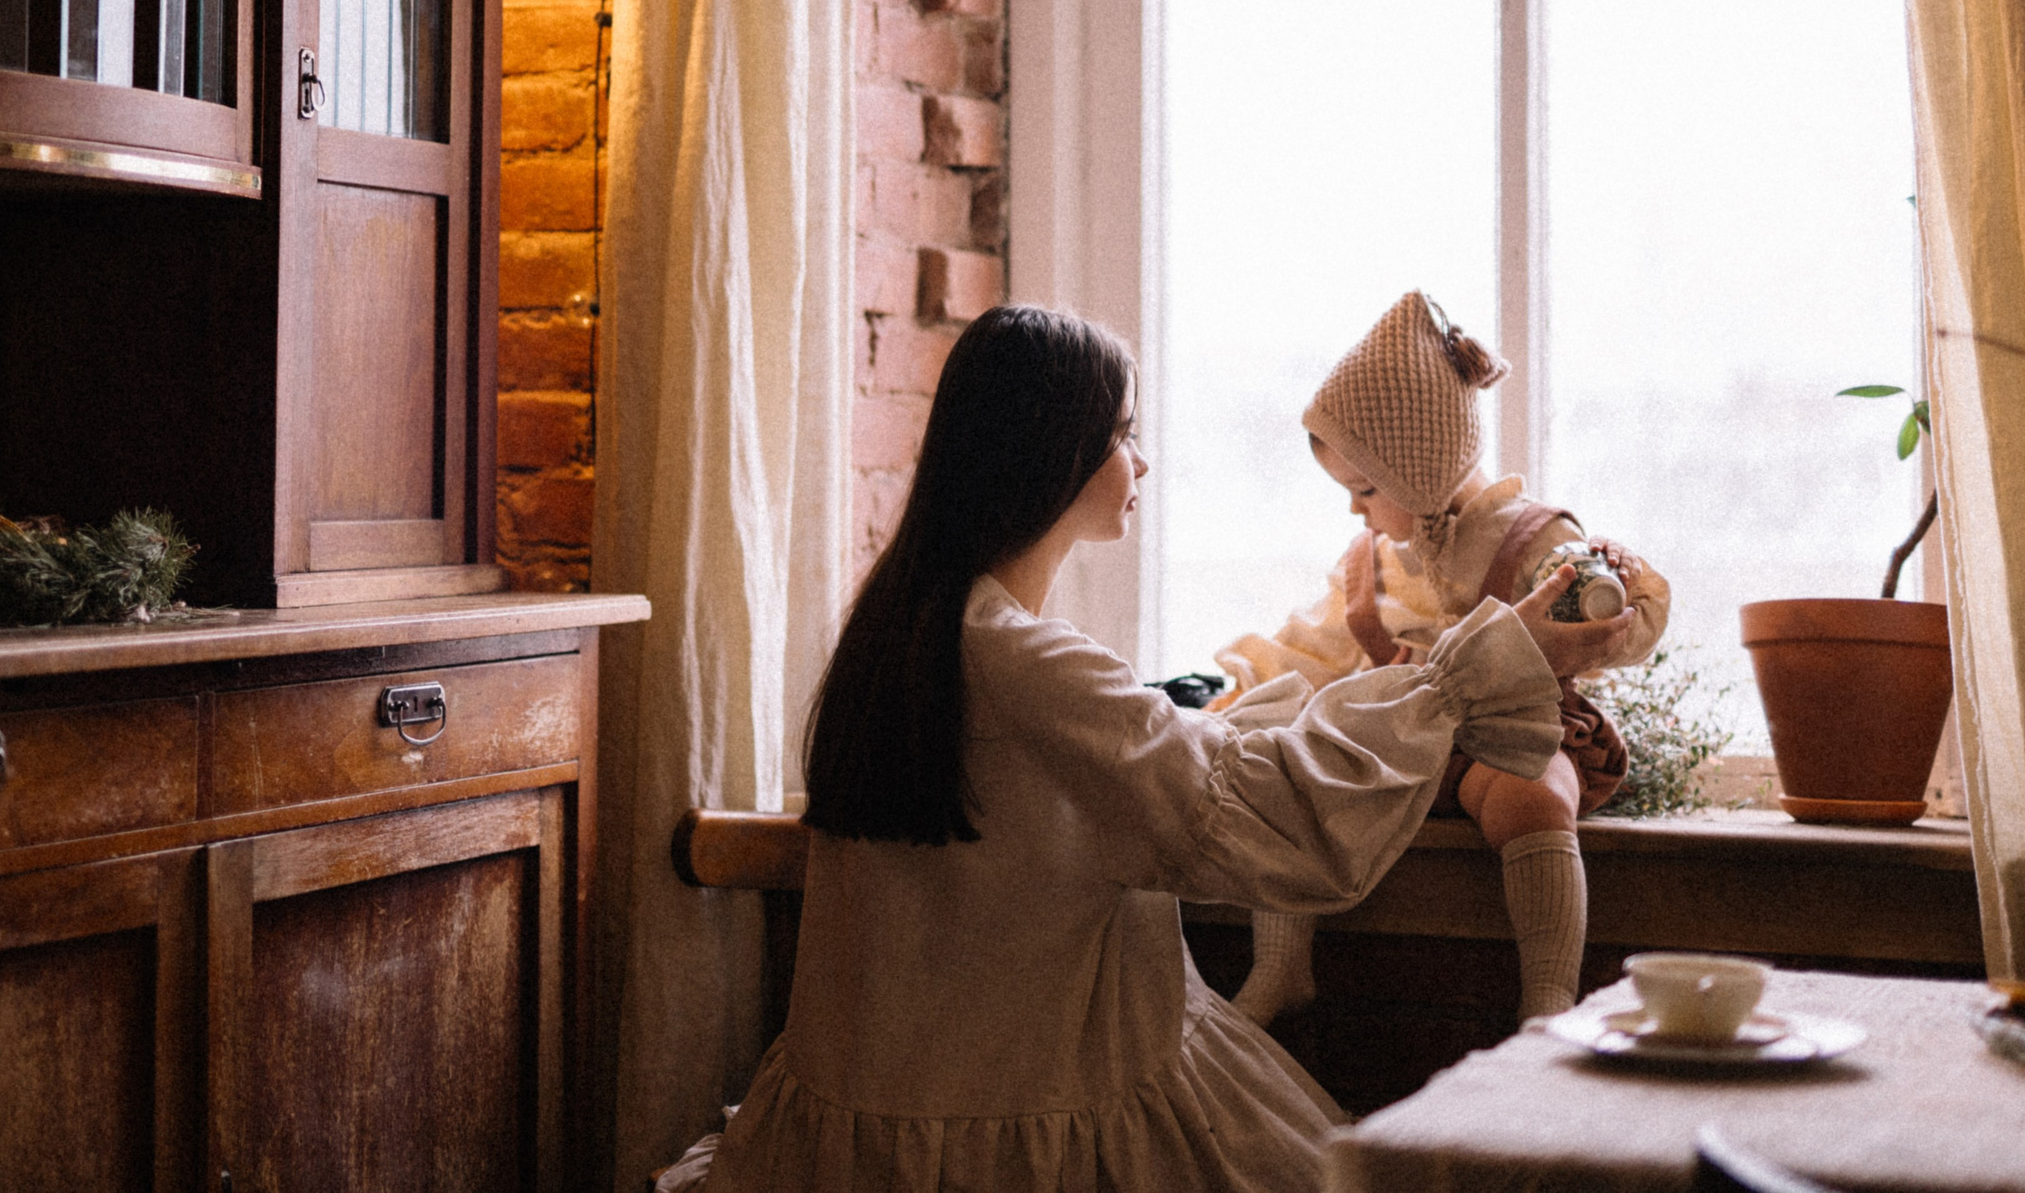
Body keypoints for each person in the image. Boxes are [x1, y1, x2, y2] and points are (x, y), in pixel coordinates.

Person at [663, 303, 1630, 1192]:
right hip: (1030, 1122)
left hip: (881, 1124)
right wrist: (1483, 662)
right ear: (1054, 453)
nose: (1143, 461)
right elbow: (1274, 820)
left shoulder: (908, 629)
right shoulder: (1027, 662)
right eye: (1125, 433)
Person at [1208, 291, 1671, 1028]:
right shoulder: (1373, 562)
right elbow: (1308, 644)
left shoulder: (1535, 540)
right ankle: (1281, 963)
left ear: (1417, 469)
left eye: (1366, 489)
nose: (1358, 512)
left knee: (1533, 789)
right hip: (1404, 742)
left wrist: (1617, 595)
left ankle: (1547, 995)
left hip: (1509, 734)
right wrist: (1236, 688)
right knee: (1294, 769)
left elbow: (1621, 626)